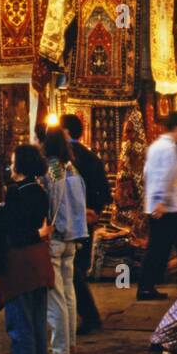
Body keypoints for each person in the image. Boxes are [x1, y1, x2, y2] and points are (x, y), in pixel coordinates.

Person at [0, 144, 56, 354]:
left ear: (21, 165)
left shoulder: (16, 193)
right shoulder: (39, 191)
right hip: (39, 262)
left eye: (13, 160)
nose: (10, 165)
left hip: (20, 264)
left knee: (20, 323)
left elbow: (16, 233)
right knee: (37, 320)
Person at [61, 114, 110, 335]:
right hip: (84, 222)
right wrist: (94, 212)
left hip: (66, 225)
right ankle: (80, 319)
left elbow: (60, 194)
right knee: (76, 270)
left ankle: (85, 318)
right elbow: (104, 190)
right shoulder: (90, 157)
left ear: (65, 131)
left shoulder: (62, 163)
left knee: (72, 274)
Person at [42, 129, 87, 354]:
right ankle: (70, 344)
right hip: (72, 236)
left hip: (57, 237)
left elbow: (53, 200)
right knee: (68, 292)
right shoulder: (71, 168)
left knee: (56, 295)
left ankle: (60, 349)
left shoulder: (54, 168)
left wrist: (49, 225)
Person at [138, 111, 177, 300]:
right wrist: (161, 200)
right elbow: (166, 175)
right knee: (159, 249)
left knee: (161, 247)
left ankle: (149, 286)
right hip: (167, 208)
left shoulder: (155, 147)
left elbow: (146, 173)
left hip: (160, 206)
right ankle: (147, 287)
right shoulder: (168, 148)